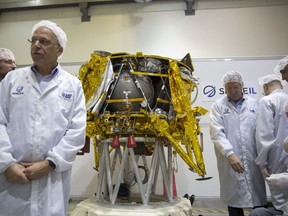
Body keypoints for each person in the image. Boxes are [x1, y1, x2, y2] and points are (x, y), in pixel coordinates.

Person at [0, 20, 86, 216]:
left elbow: (77, 130)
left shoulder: (72, 86)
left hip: (52, 178)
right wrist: (6, 163)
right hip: (12, 176)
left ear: (59, 50)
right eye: (34, 40)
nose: (36, 45)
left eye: (44, 41)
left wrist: (50, 163)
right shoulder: (12, 81)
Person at [209, 71, 267, 216]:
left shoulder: (254, 103)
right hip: (229, 159)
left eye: (236, 87)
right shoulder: (218, 106)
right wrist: (230, 154)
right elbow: (216, 132)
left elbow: (262, 131)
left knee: (258, 200)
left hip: (253, 157)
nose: (233, 91)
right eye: (229, 88)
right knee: (234, 200)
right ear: (224, 89)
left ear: (242, 86)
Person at [250, 74, 288, 216]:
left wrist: (262, 162)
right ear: (281, 85)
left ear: (265, 87)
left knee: (280, 197)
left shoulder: (266, 101)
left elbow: (264, 135)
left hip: (275, 156)